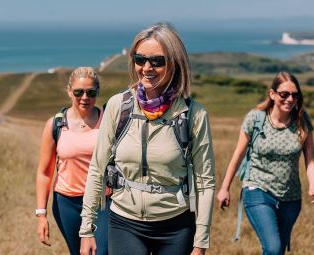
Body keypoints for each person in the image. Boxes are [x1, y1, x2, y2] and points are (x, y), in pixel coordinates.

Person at [79, 23, 215, 255]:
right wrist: (87, 230)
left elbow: (205, 181)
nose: (146, 68)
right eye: (140, 59)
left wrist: (201, 242)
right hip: (124, 222)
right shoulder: (117, 106)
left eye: (157, 61)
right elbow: (97, 168)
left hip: (176, 226)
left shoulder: (194, 114)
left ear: (175, 63)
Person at [217, 72, 314, 255]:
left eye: (295, 95)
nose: (290, 99)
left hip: (291, 197)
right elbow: (238, 155)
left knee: (278, 250)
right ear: (272, 94)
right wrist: (225, 188)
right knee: (273, 249)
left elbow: (311, 160)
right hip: (257, 190)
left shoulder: (302, 121)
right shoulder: (256, 119)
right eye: (284, 94)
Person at [35, 67, 109, 255]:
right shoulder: (55, 124)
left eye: (91, 92)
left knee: (100, 252)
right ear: (69, 91)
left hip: (103, 203)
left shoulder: (109, 121)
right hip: (66, 203)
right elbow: (44, 173)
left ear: (97, 93)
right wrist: (41, 215)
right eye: (79, 92)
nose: (85, 97)